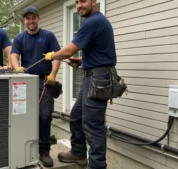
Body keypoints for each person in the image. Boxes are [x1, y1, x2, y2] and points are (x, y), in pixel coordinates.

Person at [43, 0, 117, 169]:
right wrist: (83, 61)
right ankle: (78, 153)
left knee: (93, 126)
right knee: (77, 116)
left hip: (97, 81)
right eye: (76, 2)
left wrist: (52, 56)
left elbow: (69, 50)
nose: (78, 6)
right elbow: (102, 54)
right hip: (93, 77)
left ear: (93, 1)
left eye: (82, 1)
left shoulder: (92, 22)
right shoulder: (97, 21)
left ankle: (96, 165)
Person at [11, 6, 61, 168]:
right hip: (25, 81)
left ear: (38, 19)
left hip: (44, 82)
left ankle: (44, 151)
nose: (30, 21)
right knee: (22, 116)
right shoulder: (19, 38)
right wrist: (17, 68)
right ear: (24, 20)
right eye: (27, 18)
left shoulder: (48, 36)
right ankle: (25, 149)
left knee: (45, 116)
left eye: (33, 18)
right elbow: (14, 55)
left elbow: (56, 56)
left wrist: (53, 75)